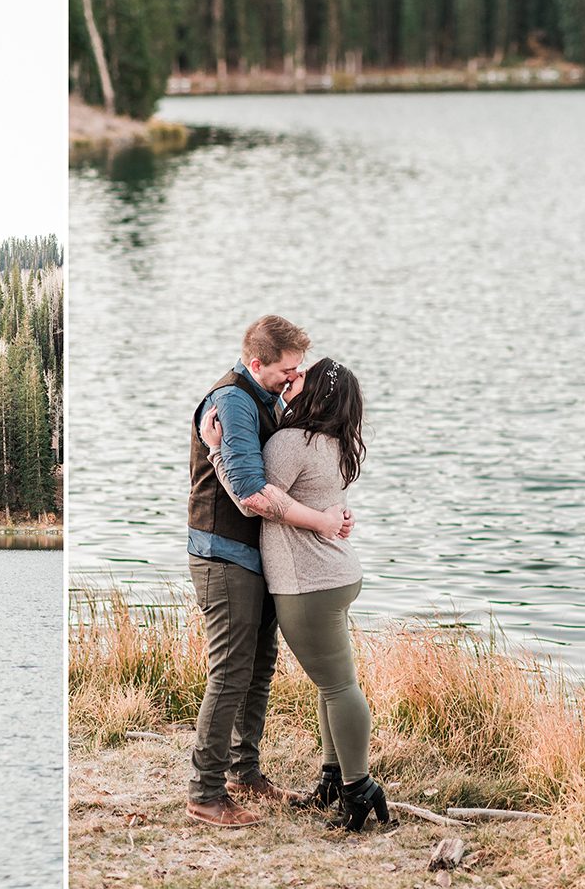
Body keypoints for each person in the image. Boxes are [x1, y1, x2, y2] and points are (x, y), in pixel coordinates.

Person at [200, 357, 390, 833]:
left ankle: (358, 787)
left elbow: (254, 499)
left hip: (308, 583)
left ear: (316, 394)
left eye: (301, 376)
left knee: (339, 686)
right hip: (335, 574)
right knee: (332, 684)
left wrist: (216, 450)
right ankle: (332, 778)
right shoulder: (337, 444)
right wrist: (333, 518)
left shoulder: (290, 442)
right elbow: (325, 501)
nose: (292, 378)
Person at [185, 315, 353, 828]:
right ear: (257, 363)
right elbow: (251, 492)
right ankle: (205, 792)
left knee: (259, 666)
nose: (293, 376)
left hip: (252, 557)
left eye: (299, 369)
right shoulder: (233, 401)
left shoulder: (266, 398)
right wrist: (323, 523)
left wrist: (296, 395)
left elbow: (296, 468)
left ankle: (244, 771)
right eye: (287, 369)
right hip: (223, 554)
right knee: (231, 672)